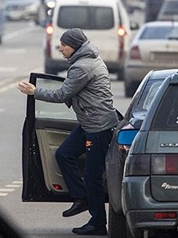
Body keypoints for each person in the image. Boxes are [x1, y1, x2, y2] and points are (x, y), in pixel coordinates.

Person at [18, 28, 118, 236]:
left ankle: (98, 223)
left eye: (64, 44)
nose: (60, 47)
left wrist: (34, 92)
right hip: (89, 124)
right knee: (64, 154)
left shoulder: (82, 67)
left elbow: (62, 93)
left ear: (74, 45)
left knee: (92, 176)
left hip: (97, 127)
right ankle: (81, 197)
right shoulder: (88, 60)